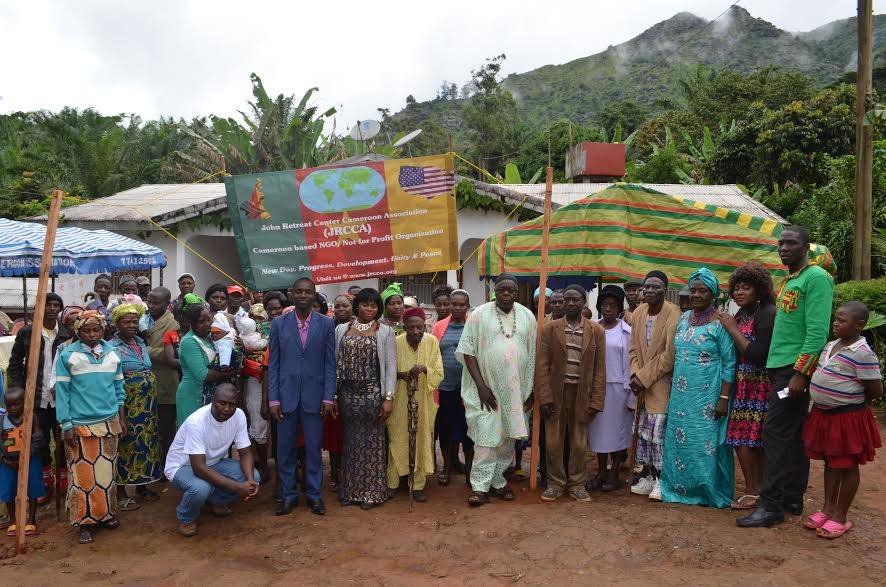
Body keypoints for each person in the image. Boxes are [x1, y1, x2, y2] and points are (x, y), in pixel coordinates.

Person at [738, 225, 834, 527]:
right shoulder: (791, 279)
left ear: (806, 247)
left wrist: (801, 373)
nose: (783, 248)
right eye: (780, 243)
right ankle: (792, 498)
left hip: (792, 370)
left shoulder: (817, 278)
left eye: (791, 243)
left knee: (775, 434)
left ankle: (771, 505)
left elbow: (817, 331)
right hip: (780, 368)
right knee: (792, 435)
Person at [801, 301, 883, 539]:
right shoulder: (831, 345)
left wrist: (849, 401)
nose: (835, 324)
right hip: (825, 415)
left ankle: (840, 516)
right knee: (830, 461)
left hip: (848, 418)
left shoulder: (863, 353)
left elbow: (875, 390)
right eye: (835, 319)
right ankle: (827, 508)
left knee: (846, 465)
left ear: (859, 325)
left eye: (842, 321)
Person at [457, 274, 536, 507]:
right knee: (486, 438)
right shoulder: (479, 314)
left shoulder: (527, 316)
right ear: (495, 291)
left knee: (507, 439)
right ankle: (479, 487)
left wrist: (530, 390)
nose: (506, 293)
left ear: (517, 292)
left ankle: (497, 481)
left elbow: (532, 355)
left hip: (515, 391)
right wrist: (481, 386)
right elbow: (468, 351)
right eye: (502, 289)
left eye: (511, 290)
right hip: (486, 391)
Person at [660, 268, 736, 508]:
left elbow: (730, 362)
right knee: (680, 441)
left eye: (703, 291)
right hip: (681, 396)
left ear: (713, 293)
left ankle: (706, 491)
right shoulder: (683, 319)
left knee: (704, 443)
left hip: (708, 396)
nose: (696, 295)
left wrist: (724, 398)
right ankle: (679, 488)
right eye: (693, 290)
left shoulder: (721, 324)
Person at [55, 310, 125, 545]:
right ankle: (85, 522)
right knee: (83, 476)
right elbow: (62, 393)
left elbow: (119, 389)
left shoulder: (112, 353)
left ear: (103, 330)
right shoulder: (68, 356)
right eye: (86, 330)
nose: (92, 334)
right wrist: (66, 424)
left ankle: (105, 515)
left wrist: (121, 418)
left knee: (106, 473)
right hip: (80, 424)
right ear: (78, 332)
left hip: (109, 422)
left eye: (97, 330)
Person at [269, 277, 336, 516]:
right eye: (299, 292)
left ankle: (315, 496)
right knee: (285, 450)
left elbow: (330, 364)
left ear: (314, 294)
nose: (303, 296)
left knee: (314, 449)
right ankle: (288, 496)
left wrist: (328, 397)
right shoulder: (278, 323)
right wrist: (273, 399)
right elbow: (273, 364)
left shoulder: (326, 324)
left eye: (308, 292)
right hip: (285, 397)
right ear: (292, 294)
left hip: (315, 397)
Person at [535, 284, 605, 502]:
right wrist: (545, 397)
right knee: (553, 442)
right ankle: (555, 484)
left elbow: (600, 370)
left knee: (579, 442)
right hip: (556, 393)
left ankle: (577, 484)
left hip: (582, 394)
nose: (571, 303)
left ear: (584, 302)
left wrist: (596, 400)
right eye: (567, 300)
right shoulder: (550, 329)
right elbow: (542, 365)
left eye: (576, 300)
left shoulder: (596, 331)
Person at [165, 383, 259, 537]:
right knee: (201, 487)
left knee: (254, 476)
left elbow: (245, 453)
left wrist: (249, 481)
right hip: (183, 467)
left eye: (232, 405)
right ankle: (186, 517)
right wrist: (237, 488)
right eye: (222, 403)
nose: (227, 409)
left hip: (215, 462)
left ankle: (216, 501)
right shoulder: (196, 421)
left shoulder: (239, 415)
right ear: (212, 400)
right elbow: (198, 468)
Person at [718, 264, 776, 510]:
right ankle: (755, 489)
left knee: (750, 439)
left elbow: (757, 355)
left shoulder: (767, 313)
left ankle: (755, 491)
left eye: (746, 288)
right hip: (742, 383)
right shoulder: (742, 314)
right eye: (737, 288)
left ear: (759, 289)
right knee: (741, 438)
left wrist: (732, 329)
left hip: (760, 385)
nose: (739, 293)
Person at [335, 288, 397, 510]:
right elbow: (336, 363)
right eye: (365, 304)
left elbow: (391, 366)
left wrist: (388, 398)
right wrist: (334, 395)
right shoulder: (342, 329)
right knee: (351, 441)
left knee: (373, 442)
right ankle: (350, 491)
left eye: (373, 305)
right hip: (347, 395)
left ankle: (372, 493)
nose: (369, 309)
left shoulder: (385, 332)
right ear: (357, 306)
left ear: (378, 309)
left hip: (373, 394)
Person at [8, 292, 66, 501]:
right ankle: (47, 483)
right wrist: (17, 391)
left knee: (64, 442)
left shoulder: (66, 334)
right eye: (48, 304)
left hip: (61, 400)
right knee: (40, 442)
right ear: (39, 308)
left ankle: (64, 482)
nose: (52, 308)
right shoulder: (27, 333)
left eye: (56, 305)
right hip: (36, 399)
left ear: (60, 309)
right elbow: (15, 363)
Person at [628, 271, 681, 500]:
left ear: (665, 290)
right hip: (640, 384)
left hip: (661, 384)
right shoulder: (638, 313)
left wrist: (644, 377)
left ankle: (662, 481)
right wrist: (635, 374)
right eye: (646, 286)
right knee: (643, 434)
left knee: (658, 434)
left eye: (655, 287)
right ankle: (648, 476)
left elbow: (669, 356)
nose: (649, 290)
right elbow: (632, 349)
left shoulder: (674, 313)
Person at [109, 300, 162, 510]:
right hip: (127, 406)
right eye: (126, 322)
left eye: (134, 321)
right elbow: (114, 380)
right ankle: (122, 492)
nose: (132, 325)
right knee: (126, 444)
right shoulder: (111, 347)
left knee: (145, 443)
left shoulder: (140, 342)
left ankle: (142, 485)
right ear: (117, 324)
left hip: (147, 406)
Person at [388, 306, 443, 502]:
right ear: (404, 327)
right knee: (398, 438)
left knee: (421, 440)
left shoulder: (432, 341)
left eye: (419, 327)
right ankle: (393, 483)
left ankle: (417, 485)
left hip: (424, 401)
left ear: (425, 326)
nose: (415, 331)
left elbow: (439, 373)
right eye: (411, 327)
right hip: (400, 399)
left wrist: (424, 369)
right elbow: (386, 372)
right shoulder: (395, 342)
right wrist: (400, 375)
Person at [587, 285, 634, 492]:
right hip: (596, 389)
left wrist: (630, 395)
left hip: (619, 390)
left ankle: (614, 473)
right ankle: (601, 472)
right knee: (598, 433)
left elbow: (630, 364)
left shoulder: (626, 332)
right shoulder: (592, 328)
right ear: (599, 307)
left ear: (619, 308)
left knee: (618, 433)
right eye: (604, 305)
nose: (608, 309)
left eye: (613, 305)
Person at [432, 289, 473, 486]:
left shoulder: (474, 325)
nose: (457, 308)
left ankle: (470, 472)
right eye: (453, 304)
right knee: (446, 429)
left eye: (461, 305)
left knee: (468, 429)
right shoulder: (439, 326)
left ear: (467, 306)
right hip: (445, 387)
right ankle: (447, 468)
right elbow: (433, 354)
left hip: (469, 388)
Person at [175, 295, 237, 424]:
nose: (208, 324)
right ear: (191, 323)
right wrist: (231, 373)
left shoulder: (210, 337)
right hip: (192, 394)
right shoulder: (189, 341)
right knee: (193, 430)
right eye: (201, 322)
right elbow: (203, 374)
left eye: (209, 319)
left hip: (208, 394)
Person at [0, 387, 46, 537]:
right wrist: (4, 458)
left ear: (25, 403)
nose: (12, 408)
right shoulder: (2, 421)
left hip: (30, 459)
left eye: (16, 404)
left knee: (33, 487)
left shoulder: (32, 418)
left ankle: (31, 520)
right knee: (8, 489)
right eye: (9, 405)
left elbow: (39, 438)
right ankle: (13, 521)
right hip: (8, 462)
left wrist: (28, 455)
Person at [144, 287, 180, 469]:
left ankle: (167, 466)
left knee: (166, 430)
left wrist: (143, 350)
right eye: (149, 301)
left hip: (166, 384)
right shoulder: (144, 319)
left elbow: (169, 355)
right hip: (147, 386)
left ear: (167, 304)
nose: (150, 306)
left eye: (155, 303)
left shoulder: (173, 324)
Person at [325, 294, 353, 491]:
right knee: (333, 433)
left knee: (350, 434)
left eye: (345, 306)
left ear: (353, 307)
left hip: (353, 388)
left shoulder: (359, 327)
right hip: (332, 386)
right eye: (338, 306)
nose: (341, 309)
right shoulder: (328, 327)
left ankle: (349, 472)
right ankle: (335, 473)